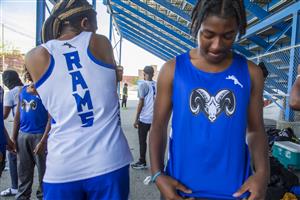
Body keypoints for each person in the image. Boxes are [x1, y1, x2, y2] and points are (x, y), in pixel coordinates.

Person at [149, 0, 270, 199]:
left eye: (228, 36)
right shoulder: (172, 70)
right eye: (208, 34)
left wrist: (263, 174)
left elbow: (256, 129)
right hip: (181, 191)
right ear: (196, 26)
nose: (217, 45)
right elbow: (158, 127)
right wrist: (157, 173)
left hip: (236, 191)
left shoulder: (251, 73)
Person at [25, 0, 133, 199]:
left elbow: (53, 92)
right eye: (94, 26)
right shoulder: (100, 43)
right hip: (109, 161)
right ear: (84, 23)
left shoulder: (35, 56)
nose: (96, 31)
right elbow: (105, 81)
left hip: (62, 167)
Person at [12, 70, 50, 200]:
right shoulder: (22, 90)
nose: (29, 73)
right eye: (27, 70)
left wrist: (43, 140)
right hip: (23, 135)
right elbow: (17, 115)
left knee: (44, 174)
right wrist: (13, 137)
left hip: (40, 136)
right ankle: (22, 196)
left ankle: (44, 196)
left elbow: (51, 118)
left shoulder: (46, 91)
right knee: (23, 172)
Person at [1, 69, 23, 197]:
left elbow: (4, 115)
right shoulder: (25, 88)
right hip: (33, 127)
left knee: (12, 156)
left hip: (20, 129)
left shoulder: (10, 94)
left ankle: (15, 187)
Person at [132, 66, 156, 169]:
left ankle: (142, 161)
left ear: (144, 74)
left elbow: (141, 103)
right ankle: (157, 165)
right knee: (154, 142)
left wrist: (136, 118)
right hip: (154, 119)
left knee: (143, 142)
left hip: (144, 119)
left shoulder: (143, 85)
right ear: (153, 74)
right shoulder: (156, 84)